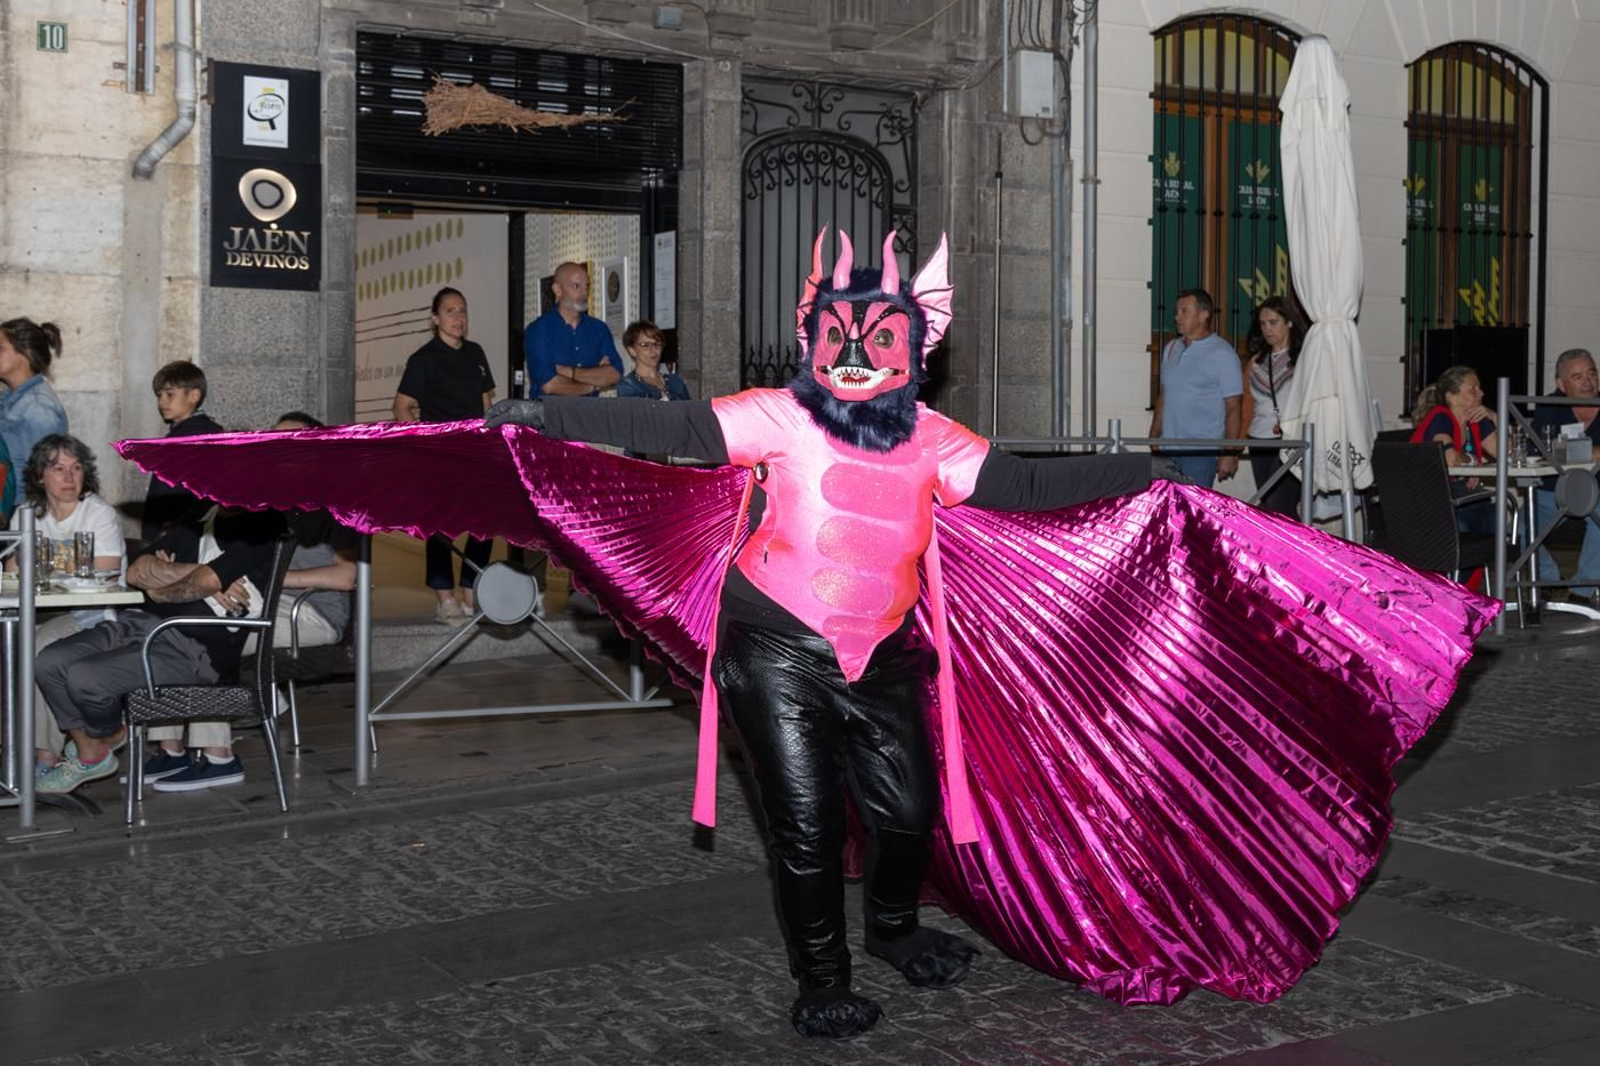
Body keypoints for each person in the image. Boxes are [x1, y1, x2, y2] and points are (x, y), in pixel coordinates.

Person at [488, 231, 1165, 1038]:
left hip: (884, 655)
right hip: (775, 653)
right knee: (806, 828)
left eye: (877, 338)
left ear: (914, 347)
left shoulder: (932, 436)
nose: (853, 355)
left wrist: (1145, 473)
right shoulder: (778, 416)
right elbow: (676, 427)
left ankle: (894, 929)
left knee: (909, 811)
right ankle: (821, 979)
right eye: (838, 335)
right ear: (813, 336)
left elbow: (1020, 483)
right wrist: (546, 415)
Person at [34, 504, 283, 794]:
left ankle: (108, 736)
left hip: (195, 648)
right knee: (49, 662)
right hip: (138, 623)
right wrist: (191, 574)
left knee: (85, 678)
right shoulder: (198, 516)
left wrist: (160, 588)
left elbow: (208, 581)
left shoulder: (264, 523)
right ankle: (93, 750)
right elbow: (136, 571)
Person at [4, 435, 126, 772]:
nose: (69, 477)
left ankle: (46, 754)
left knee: (35, 647)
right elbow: (12, 573)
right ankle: (17, 748)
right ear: (40, 476)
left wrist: (40, 565)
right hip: (36, 613)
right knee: (16, 643)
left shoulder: (98, 513)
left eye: (76, 468)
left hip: (92, 615)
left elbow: (106, 571)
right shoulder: (26, 514)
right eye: (58, 469)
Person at [395, 288, 497, 626]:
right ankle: (445, 598)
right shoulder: (423, 359)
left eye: (463, 310)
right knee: (441, 527)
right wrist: (424, 442)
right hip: (440, 456)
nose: (458, 317)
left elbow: (486, 402)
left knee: (484, 523)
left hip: (475, 453)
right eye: (450, 311)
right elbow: (402, 407)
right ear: (435, 318)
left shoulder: (475, 352)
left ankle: (470, 590)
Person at [264, 413, 358, 648]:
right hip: (270, 601)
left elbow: (346, 576)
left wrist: (271, 579)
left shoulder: (334, 506)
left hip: (313, 613)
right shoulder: (271, 503)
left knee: (219, 630)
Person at [1149, 288, 1243, 487]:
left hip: (1200, 452)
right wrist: (1154, 433)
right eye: (1177, 311)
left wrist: (1230, 452)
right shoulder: (1171, 348)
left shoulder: (1223, 354)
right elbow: (1165, 394)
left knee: (1192, 505)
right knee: (1164, 503)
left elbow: (1233, 407)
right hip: (1167, 448)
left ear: (1203, 315)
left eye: (1184, 311)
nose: (1177, 317)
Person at [1531, 348, 1600, 605]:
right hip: (1553, 491)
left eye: (1592, 373)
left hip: (1596, 490)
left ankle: (1582, 591)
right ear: (1561, 384)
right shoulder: (1550, 406)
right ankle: (1550, 582)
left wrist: (1572, 450)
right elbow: (1540, 448)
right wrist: (1592, 451)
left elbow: (1558, 449)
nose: (1588, 382)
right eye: (1577, 377)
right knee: (1520, 527)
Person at [1409, 365, 1499, 533]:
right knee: (1470, 522)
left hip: (1457, 493)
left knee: (1494, 517)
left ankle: (1492, 551)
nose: (1481, 393)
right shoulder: (1440, 417)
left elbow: (1506, 452)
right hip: (1429, 496)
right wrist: (1473, 461)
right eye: (1473, 389)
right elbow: (1449, 458)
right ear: (1452, 397)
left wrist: (1495, 418)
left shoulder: (1476, 419)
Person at [143, 361, 224, 542]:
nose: (162, 402)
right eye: (159, 395)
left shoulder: (184, 438)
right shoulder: (212, 431)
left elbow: (168, 494)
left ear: (194, 395)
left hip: (179, 533)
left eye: (170, 394)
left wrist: (159, 536)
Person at [1241, 298, 1305, 516]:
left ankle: (1294, 538)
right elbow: (1246, 404)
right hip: (1258, 439)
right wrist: (1234, 446)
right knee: (1270, 505)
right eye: (1263, 324)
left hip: (1290, 440)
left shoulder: (1303, 360)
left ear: (1289, 322)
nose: (1267, 329)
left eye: (1273, 322)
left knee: (1281, 503)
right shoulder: (1255, 363)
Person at [522, 262, 624, 399]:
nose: (584, 292)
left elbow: (615, 373)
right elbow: (550, 385)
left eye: (586, 286)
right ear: (557, 290)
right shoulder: (538, 330)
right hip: (549, 411)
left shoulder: (599, 329)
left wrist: (569, 372)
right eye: (576, 286)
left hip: (590, 411)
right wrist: (593, 385)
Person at [0, 319, 70, 504]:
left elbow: (44, 475)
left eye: (0, 348)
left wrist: (28, 516)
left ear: (26, 354)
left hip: (20, 510)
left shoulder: (38, 408)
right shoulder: (9, 398)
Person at [615, 320, 691, 402]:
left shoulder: (675, 381)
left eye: (657, 344)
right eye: (645, 345)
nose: (653, 350)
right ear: (632, 350)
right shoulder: (628, 385)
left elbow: (688, 409)